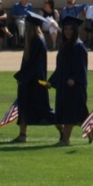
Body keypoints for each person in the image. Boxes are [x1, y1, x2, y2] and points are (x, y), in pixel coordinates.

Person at [11, 11, 56, 143]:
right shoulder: (32, 40)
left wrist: (22, 77)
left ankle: (66, 128)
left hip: (36, 81)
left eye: (27, 24)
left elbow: (35, 64)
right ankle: (22, 135)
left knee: (44, 111)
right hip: (28, 80)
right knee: (24, 106)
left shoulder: (38, 40)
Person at [49, 15, 92, 147]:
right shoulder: (65, 46)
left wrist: (74, 78)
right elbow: (60, 68)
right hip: (63, 85)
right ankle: (89, 127)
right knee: (73, 115)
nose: (68, 31)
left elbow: (82, 67)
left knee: (69, 114)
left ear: (75, 30)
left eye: (71, 29)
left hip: (74, 86)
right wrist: (51, 81)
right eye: (66, 29)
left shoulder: (79, 47)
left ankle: (65, 140)